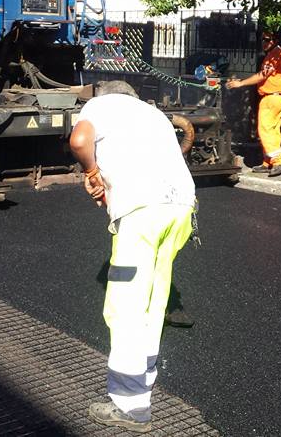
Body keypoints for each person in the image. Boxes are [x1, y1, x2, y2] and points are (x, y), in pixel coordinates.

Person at [69, 80, 195, 433]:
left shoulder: (100, 107)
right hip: (182, 208)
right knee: (154, 302)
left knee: (125, 306)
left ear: (106, 94)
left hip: (143, 213)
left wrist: (92, 173)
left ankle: (130, 407)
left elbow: (79, 141)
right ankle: (144, 380)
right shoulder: (153, 114)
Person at [226, 33, 281, 177]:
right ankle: (269, 162)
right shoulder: (279, 53)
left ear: (275, 41)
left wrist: (240, 83)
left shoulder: (274, 55)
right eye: (262, 39)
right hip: (278, 97)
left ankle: (278, 161)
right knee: (273, 130)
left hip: (271, 97)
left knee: (265, 129)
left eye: (267, 40)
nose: (264, 42)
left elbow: (262, 75)